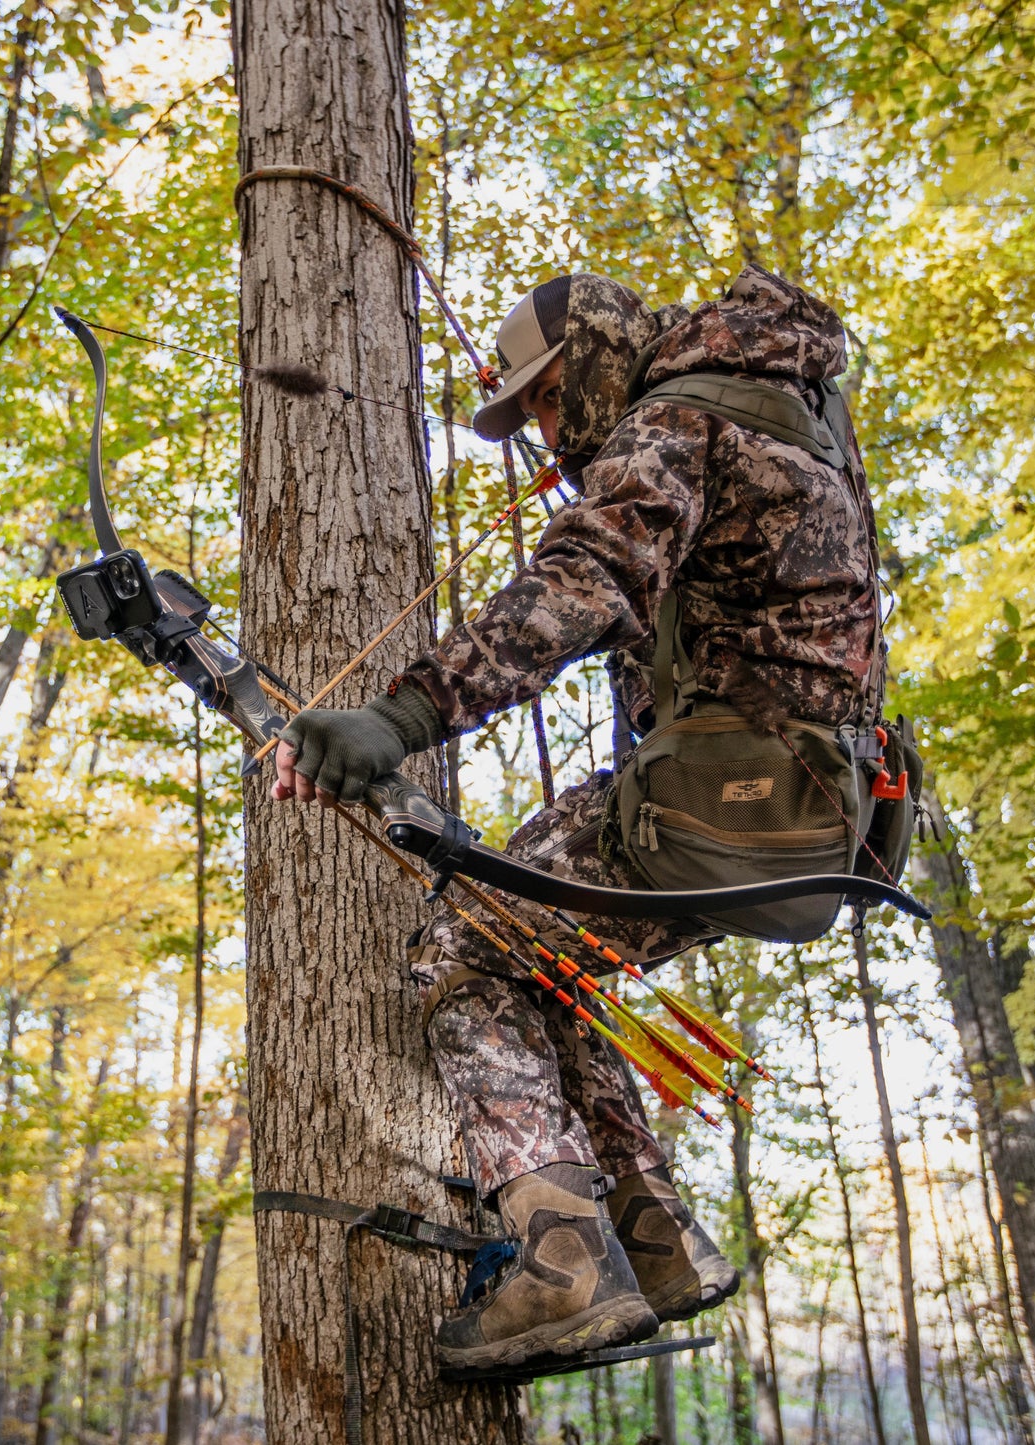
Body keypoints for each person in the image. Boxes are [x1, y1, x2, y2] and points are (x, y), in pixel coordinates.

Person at [271, 265, 886, 1370]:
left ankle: (562, 1263)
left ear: (600, 357)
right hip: (811, 811)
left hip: (730, 797)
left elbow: (583, 579)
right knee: (533, 954)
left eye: (551, 398)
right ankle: (652, 1238)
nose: (549, 434)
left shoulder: (676, 419)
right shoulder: (787, 412)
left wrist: (400, 717)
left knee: (463, 947)